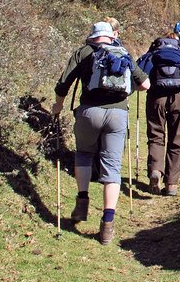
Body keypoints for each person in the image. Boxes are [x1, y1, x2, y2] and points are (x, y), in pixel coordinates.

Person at [52, 21, 150, 245]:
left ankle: (82, 202)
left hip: (88, 113)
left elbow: (64, 83)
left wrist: (58, 105)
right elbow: (146, 85)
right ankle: (107, 225)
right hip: (117, 114)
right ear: (110, 36)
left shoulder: (83, 52)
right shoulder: (122, 52)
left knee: (84, 154)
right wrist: (125, 91)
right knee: (112, 166)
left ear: (93, 36)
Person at [141, 30, 180, 197]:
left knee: (156, 136)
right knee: (176, 140)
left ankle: (155, 171)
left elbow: (141, 76)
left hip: (156, 98)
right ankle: (171, 184)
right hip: (178, 98)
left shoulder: (154, 53)